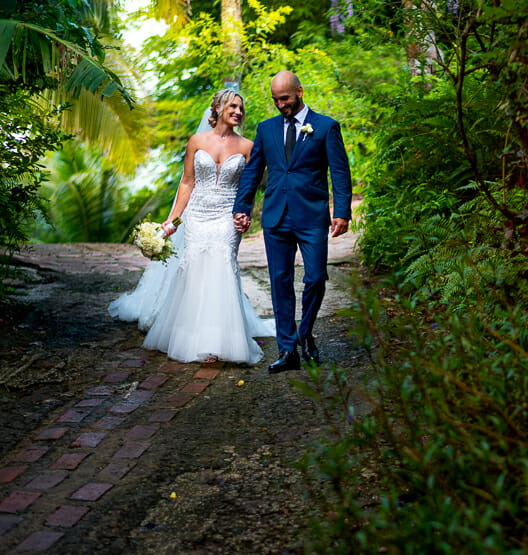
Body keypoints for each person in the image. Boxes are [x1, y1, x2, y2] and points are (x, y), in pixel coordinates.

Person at [110, 88, 275, 364]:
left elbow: (253, 187)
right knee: (196, 269)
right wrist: (173, 221)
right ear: (219, 108)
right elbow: (187, 183)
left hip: (226, 215)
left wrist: (244, 214)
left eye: (240, 108)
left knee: (222, 268)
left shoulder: (247, 146)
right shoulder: (197, 141)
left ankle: (218, 340)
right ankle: (193, 338)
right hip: (197, 214)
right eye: (232, 106)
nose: (238, 112)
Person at [232, 70, 352, 373]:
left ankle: (305, 332)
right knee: (279, 282)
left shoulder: (326, 127)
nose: (279, 104)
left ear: (299, 91)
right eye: (275, 99)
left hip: (311, 216)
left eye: (284, 98)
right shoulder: (266, 129)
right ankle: (287, 350)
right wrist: (242, 206)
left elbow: (339, 171)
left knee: (315, 277)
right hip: (275, 217)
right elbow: (253, 171)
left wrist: (342, 211)